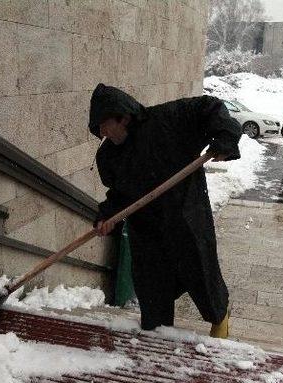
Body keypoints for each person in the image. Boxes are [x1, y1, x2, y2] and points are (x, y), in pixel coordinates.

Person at [88, 84, 242, 338]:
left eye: (105, 124)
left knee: (200, 275)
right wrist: (106, 215)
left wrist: (224, 138)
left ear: (123, 116)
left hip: (185, 217)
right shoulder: (110, 155)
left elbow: (210, 107)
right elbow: (119, 193)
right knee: (152, 287)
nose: (102, 132)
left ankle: (219, 317)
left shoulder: (169, 120)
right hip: (146, 229)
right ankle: (156, 337)